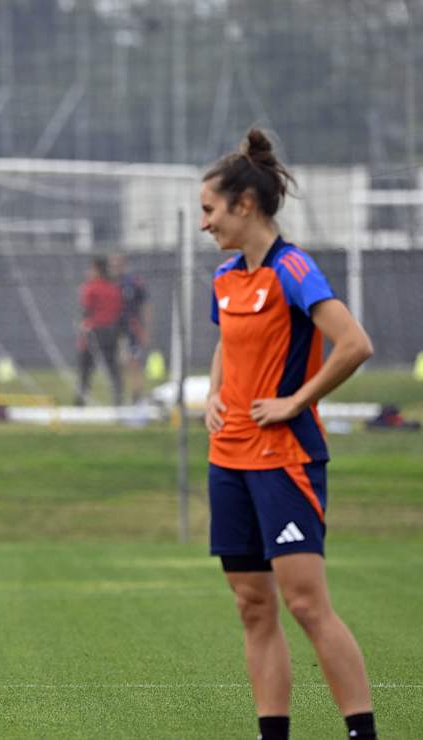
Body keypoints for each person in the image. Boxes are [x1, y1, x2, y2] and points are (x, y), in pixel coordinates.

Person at [201, 129, 376, 740]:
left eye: (210, 210)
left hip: (285, 459)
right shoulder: (225, 277)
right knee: (253, 606)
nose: (205, 224)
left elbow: (354, 344)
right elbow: (227, 338)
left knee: (305, 604)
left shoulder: (294, 268)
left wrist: (297, 400)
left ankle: (362, 732)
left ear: (244, 205)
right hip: (228, 461)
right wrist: (211, 396)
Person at [75, 256, 123, 406]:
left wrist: (83, 327)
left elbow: (86, 310)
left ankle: (81, 398)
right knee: (112, 366)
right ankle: (117, 398)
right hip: (111, 331)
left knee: (85, 366)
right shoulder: (114, 288)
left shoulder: (91, 287)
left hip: (94, 331)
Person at [110, 253, 149, 404]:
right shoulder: (110, 283)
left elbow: (145, 306)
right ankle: (121, 394)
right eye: (113, 265)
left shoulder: (133, 282)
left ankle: (137, 394)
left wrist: (144, 329)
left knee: (134, 362)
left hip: (132, 329)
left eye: (117, 264)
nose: (115, 268)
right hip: (114, 329)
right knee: (119, 363)